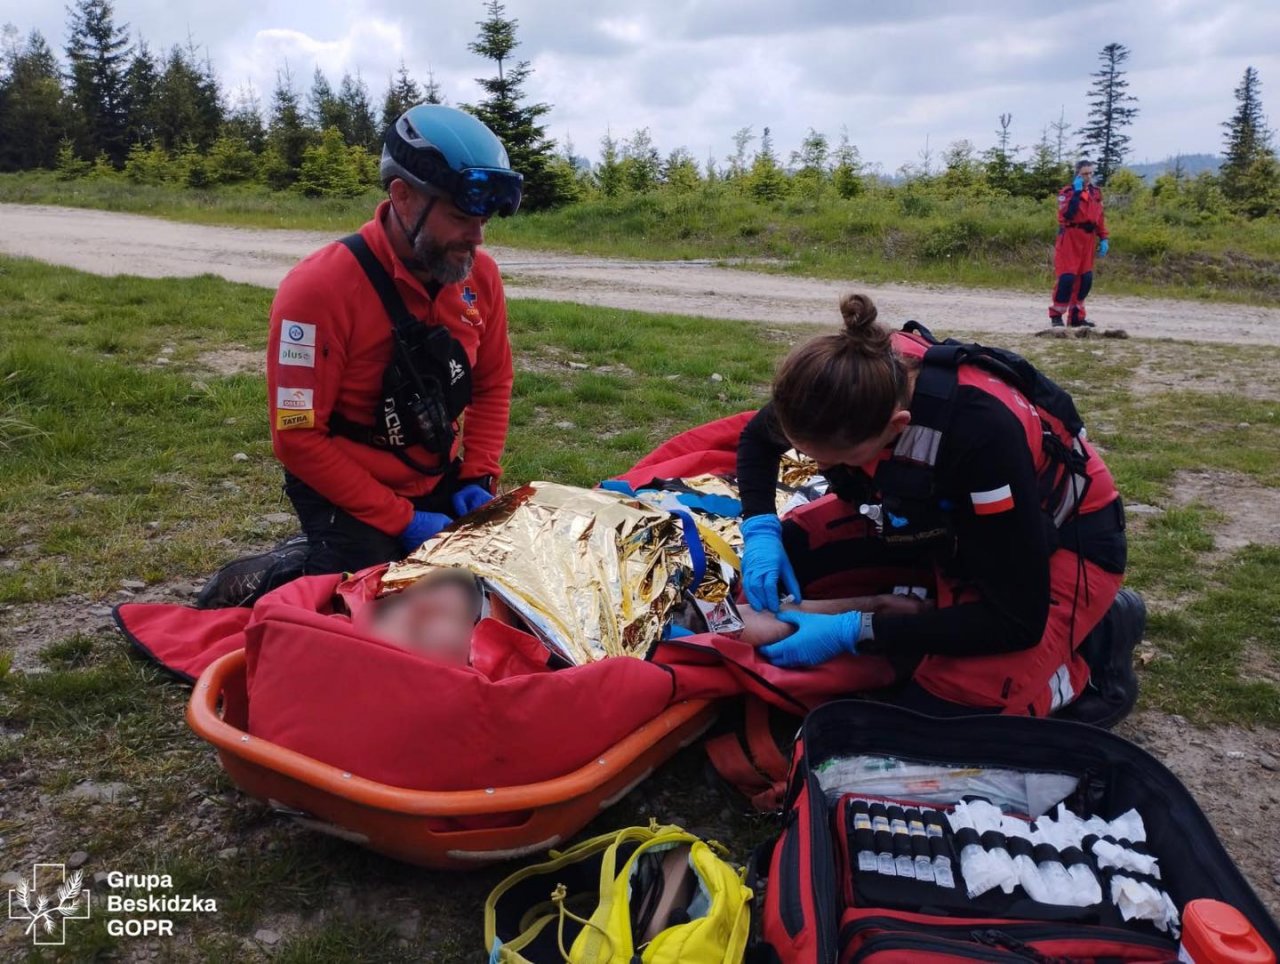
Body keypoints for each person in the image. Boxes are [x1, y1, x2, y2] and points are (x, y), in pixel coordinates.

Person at [736, 293, 1141, 719]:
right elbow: (757, 439)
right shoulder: (846, 381)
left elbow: (1015, 620)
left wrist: (856, 628)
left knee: (949, 712)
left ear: (896, 426)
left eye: (841, 460)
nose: (820, 468)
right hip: (941, 518)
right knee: (797, 550)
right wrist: (761, 527)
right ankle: (928, 607)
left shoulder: (980, 435)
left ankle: (1093, 653)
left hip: (1058, 541)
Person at [266, 104, 522, 576]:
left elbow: (492, 380)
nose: (478, 237)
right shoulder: (316, 291)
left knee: (500, 577)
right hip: (345, 483)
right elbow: (298, 438)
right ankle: (275, 570)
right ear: (403, 197)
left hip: (431, 470)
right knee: (378, 594)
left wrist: (479, 473)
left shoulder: (478, 277)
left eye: (485, 220)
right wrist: (399, 519)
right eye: (460, 216)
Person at [1048, 159, 1109, 328]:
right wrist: (1076, 193)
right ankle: (1056, 315)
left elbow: (1100, 217)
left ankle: (1076, 317)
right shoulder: (1067, 192)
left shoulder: (1096, 193)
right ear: (1078, 174)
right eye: (1084, 174)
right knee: (1067, 278)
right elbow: (1066, 215)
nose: (1088, 177)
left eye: (1090, 173)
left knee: (1085, 280)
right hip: (1070, 237)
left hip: (1088, 238)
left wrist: (1104, 237)